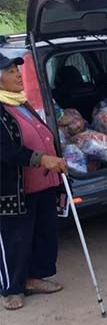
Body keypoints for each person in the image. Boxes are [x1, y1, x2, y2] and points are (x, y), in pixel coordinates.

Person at [0, 53, 68, 310]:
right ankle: (12, 288)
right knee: (14, 238)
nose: (18, 74)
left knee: (43, 234)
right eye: (9, 71)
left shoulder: (19, 102)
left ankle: (34, 278)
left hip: (42, 183)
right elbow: (5, 150)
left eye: (17, 70)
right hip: (13, 189)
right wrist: (42, 159)